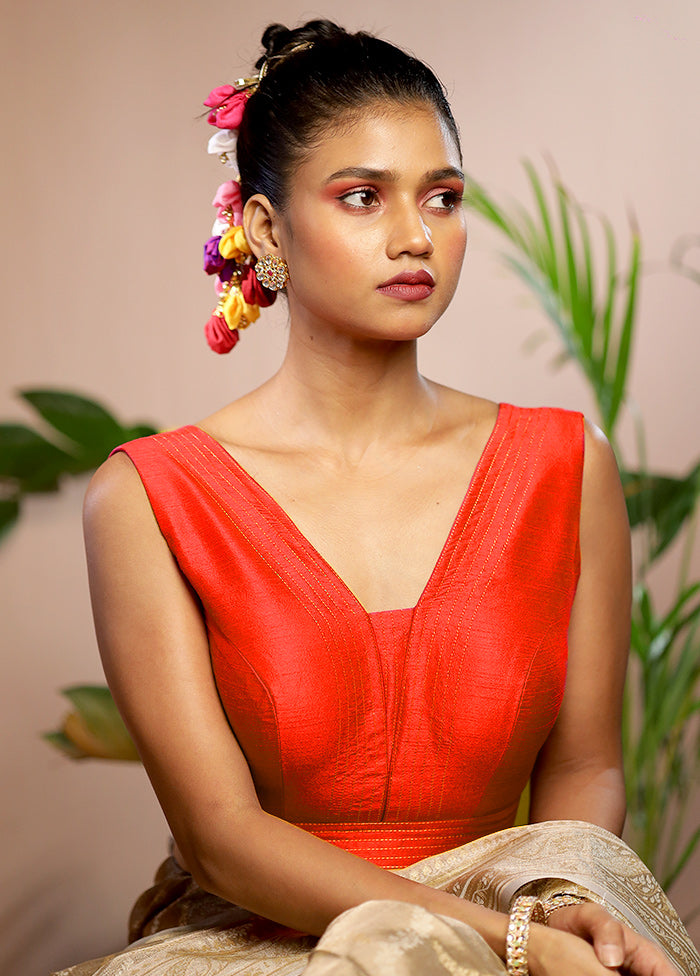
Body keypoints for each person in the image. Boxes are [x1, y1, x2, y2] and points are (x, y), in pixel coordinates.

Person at [60, 19, 698, 976]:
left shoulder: (566, 464)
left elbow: (584, 766)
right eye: (362, 197)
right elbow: (219, 836)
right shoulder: (149, 498)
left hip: (526, 915)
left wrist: (561, 904)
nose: (415, 237)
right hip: (260, 952)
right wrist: (511, 946)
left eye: (443, 198)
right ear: (265, 229)